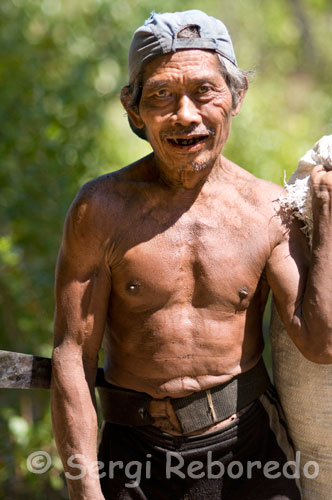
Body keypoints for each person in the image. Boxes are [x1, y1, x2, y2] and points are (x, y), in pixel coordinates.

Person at [51, 10, 332, 500]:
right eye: (161, 95)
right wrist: (85, 490)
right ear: (134, 110)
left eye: (205, 91)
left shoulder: (267, 209)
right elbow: (72, 355)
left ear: (236, 96)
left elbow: (319, 342)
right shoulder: (101, 209)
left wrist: (326, 223)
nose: (185, 115)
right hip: (133, 456)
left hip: (249, 453)